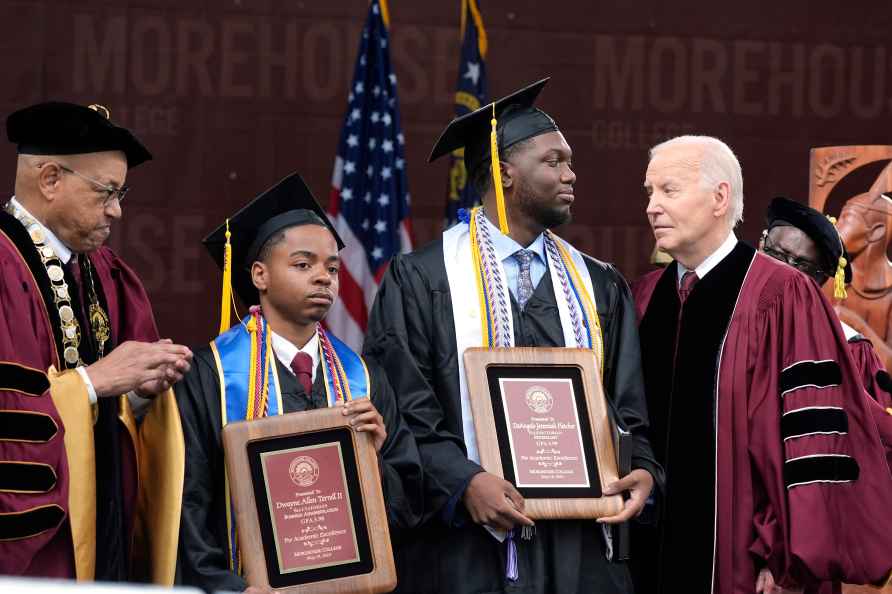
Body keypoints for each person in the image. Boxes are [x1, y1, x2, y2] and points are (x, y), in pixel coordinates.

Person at [363, 78, 662, 594]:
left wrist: (645, 471)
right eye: (553, 161)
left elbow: (627, 407)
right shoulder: (423, 278)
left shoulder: (599, 284)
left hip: (581, 546)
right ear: (504, 174)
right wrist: (464, 482)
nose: (571, 174)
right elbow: (404, 409)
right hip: (468, 546)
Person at [634, 135, 892, 593]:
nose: (653, 206)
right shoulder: (644, 295)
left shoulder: (782, 295)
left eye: (668, 191)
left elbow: (805, 435)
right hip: (642, 549)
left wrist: (779, 549)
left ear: (719, 198)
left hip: (741, 559)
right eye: (649, 192)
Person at [174, 173, 423, 594]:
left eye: (332, 267)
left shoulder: (364, 377)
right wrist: (226, 587)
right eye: (303, 264)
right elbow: (187, 501)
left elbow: (408, 509)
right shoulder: (209, 374)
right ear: (259, 275)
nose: (324, 277)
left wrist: (374, 459)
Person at [0, 101, 192, 582]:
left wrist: (144, 394)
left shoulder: (107, 274)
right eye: (106, 191)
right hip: (34, 562)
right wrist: (93, 381)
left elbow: (123, 399)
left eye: (120, 192)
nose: (117, 210)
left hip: (106, 540)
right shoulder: (2, 266)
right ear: (49, 179)